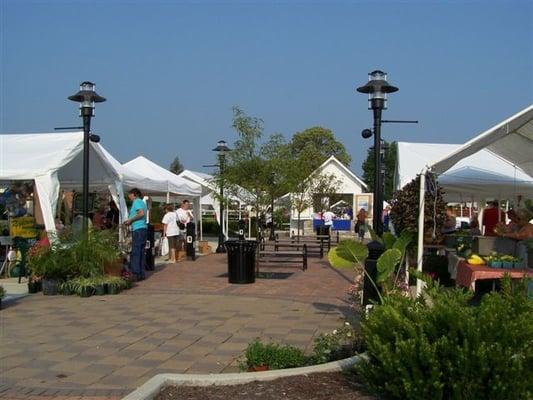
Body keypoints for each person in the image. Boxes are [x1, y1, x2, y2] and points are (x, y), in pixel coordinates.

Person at [124, 188, 148, 281]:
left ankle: (135, 273)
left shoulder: (136, 202)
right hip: (143, 228)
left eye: (129, 195)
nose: (128, 196)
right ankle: (141, 273)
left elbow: (141, 213)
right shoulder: (142, 202)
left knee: (136, 252)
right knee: (141, 252)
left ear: (134, 194)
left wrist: (130, 220)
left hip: (138, 229)